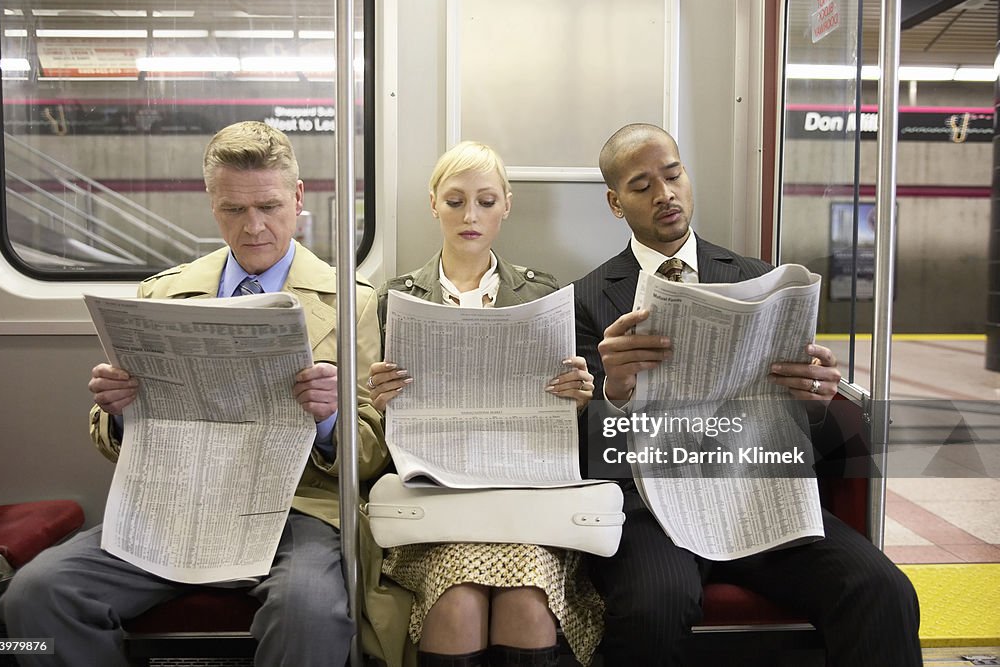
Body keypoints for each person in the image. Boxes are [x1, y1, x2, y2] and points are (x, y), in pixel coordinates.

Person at [0, 121, 395, 667]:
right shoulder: (163, 292)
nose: (254, 227)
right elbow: (115, 441)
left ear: (298, 199)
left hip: (294, 510)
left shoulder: (353, 302)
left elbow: (374, 453)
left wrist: (328, 419)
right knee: (37, 594)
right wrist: (117, 411)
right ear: (213, 205)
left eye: (270, 207)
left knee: (309, 611)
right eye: (234, 210)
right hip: (178, 502)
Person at [572, 123, 922, 666]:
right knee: (654, 608)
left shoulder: (761, 280)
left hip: (755, 493)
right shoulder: (588, 300)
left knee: (882, 590)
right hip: (653, 506)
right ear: (616, 204)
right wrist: (615, 392)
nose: (665, 194)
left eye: (673, 174)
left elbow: (809, 434)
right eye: (642, 186)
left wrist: (816, 401)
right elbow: (584, 450)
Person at [365, 141, 603, 667]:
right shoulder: (397, 300)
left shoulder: (541, 295)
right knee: (456, 598)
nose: (471, 216)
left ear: (506, 206)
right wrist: (383, 404)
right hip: (437, 507)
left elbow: (560, 419)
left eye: (486, 201)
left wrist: (579, 402)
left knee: (526, 596)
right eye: (455, 202)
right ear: (433, 204)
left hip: (523, 504)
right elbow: (381, 435)